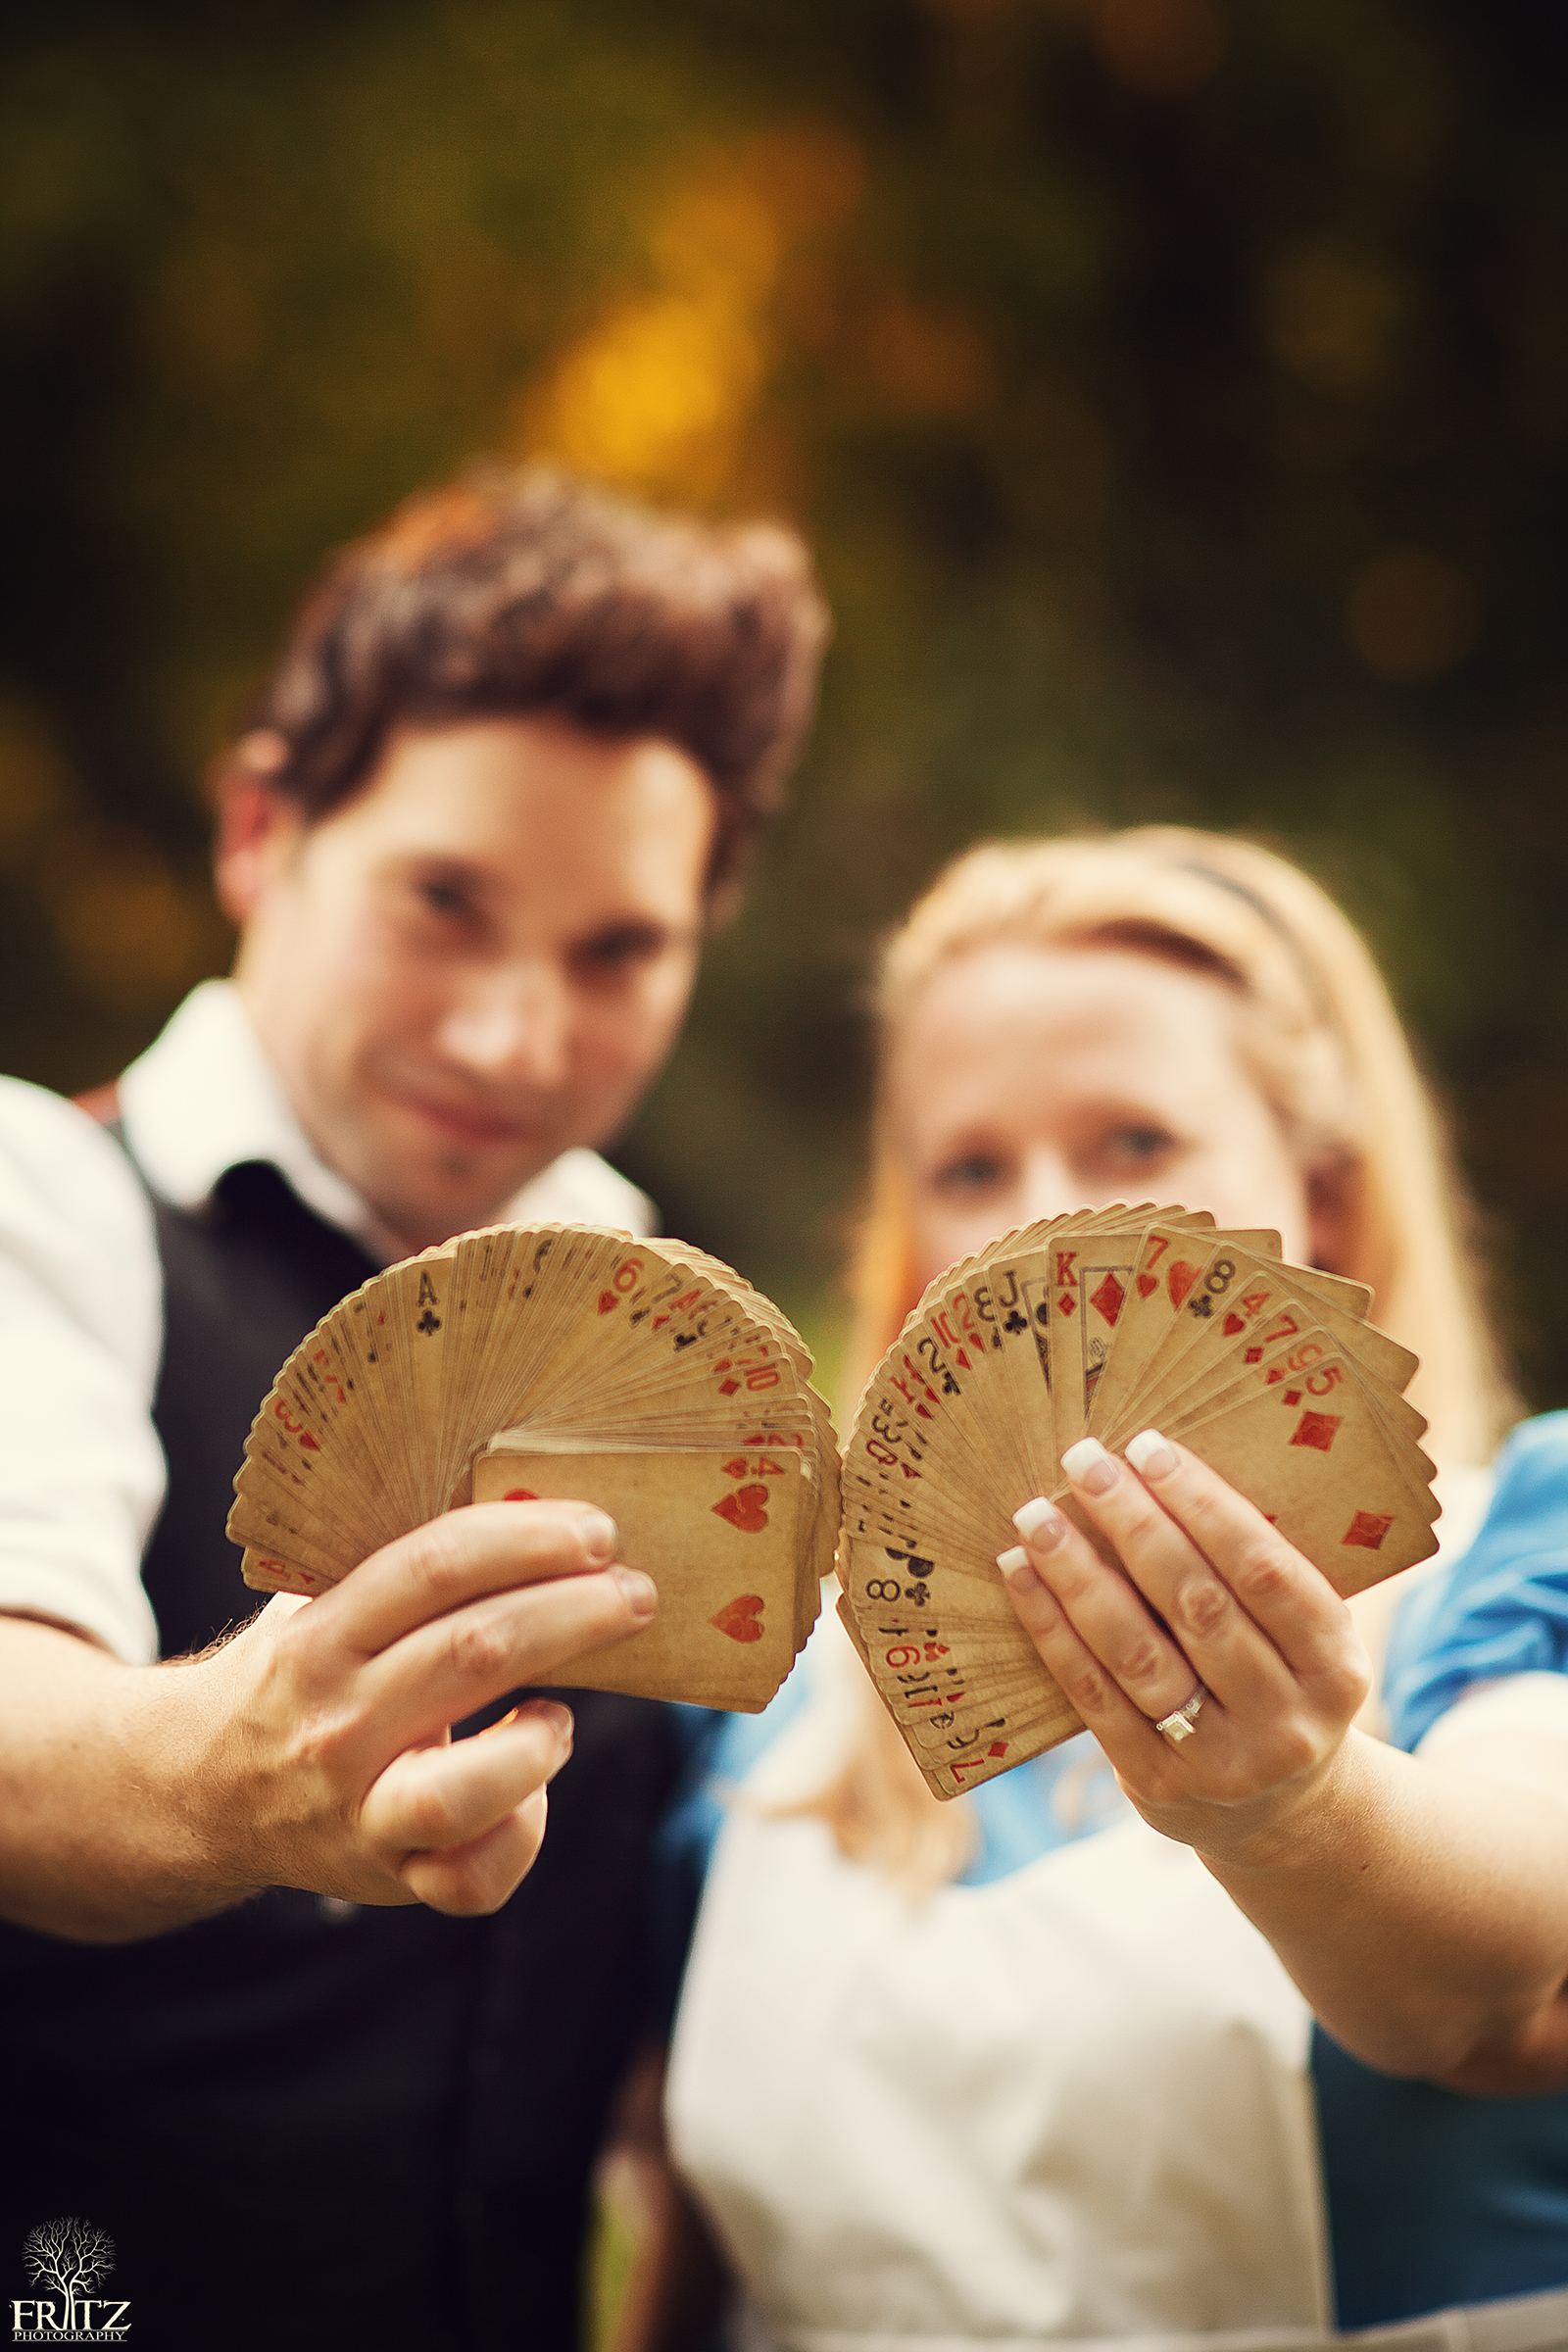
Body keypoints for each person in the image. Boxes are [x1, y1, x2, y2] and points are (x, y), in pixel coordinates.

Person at [0, 466, 828, 2351]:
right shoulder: (36, 1208)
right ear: (255, 830)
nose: (513, 1036)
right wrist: (242, 1777)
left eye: (616, 952)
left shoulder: (692, 1352)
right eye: (442, 904)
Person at [661, 830, 1568, 2351]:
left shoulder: (1509, 1559)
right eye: (969, 1167)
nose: (1042, 1222)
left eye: (1134, 1143)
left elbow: (1495, 1990)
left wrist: (1294, 1811)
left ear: (1324, 1202)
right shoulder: (778, 1692)